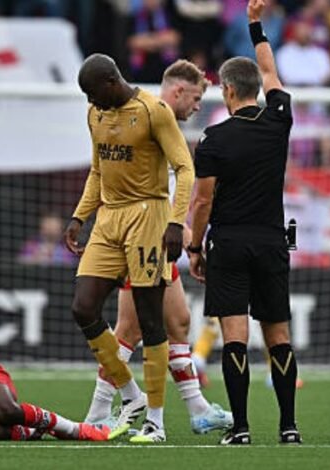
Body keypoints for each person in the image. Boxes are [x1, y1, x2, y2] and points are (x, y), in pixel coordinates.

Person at [82, 60, 232, 438]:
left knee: (178, 320)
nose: (198, 107)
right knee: (130, 328)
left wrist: (176, 224)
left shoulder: (158, 122)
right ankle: (102, 408)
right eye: (196, 98)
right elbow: (105, 173)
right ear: (178, 91)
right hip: (134, 233)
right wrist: (174, 224)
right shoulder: (148, 117)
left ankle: (196, 408)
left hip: (154, 233)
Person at [64, 53, 194, 443]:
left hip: (148, 216)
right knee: (83, 307)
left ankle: (156, 421)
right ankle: (130, 395)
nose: (90, 102)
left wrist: (175, 220)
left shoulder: (153, 111)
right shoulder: (95, 116)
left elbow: (184, 167)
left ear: (110, 82)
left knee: (150, 318)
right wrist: (78, 216)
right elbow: (97, 170)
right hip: (109, 218)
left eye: (92, 93)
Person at [188, 0, 302, 445]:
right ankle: (289, 427)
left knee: (234, 337)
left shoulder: (214, 138)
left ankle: (240, 429)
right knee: (279, 336)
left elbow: (201, 201)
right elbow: (272, 73)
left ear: (227, 91)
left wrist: (195, 248)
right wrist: (256, 26)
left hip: (230, 243)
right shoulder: (279, 120)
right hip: (272, 241)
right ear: (257, 87)